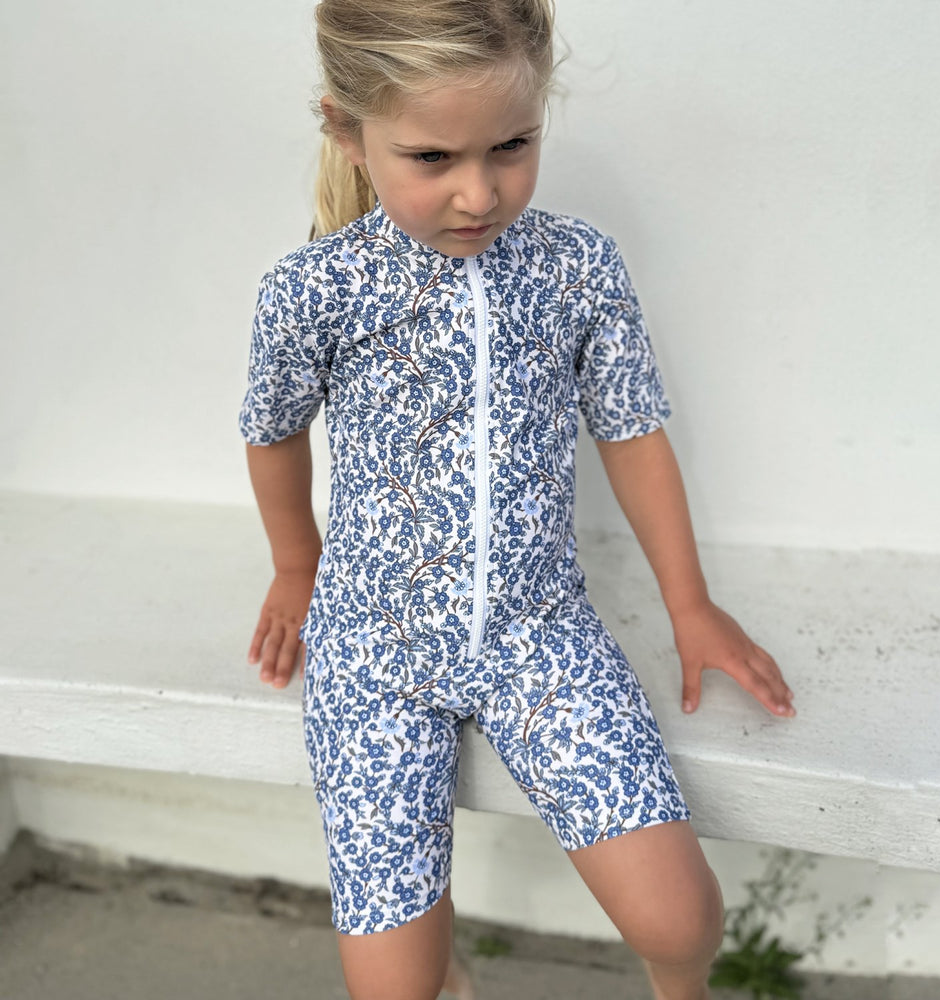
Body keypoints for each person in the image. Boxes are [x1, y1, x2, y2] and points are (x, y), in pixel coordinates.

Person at [239, 2, 795, 998]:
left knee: (681, 917)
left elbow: (630, 429)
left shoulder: (576, 266)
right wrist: (295, 565)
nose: (479, 191)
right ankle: (443, 964)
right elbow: (272, 429)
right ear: (348, 131)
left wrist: (690, 602)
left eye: (512, 145)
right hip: (372, 650)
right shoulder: (314, 288)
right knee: (393, 987)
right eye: (432, 157)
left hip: (541, 635)